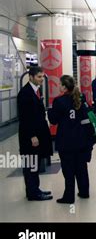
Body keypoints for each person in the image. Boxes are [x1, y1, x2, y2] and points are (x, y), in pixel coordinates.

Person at [48, 75, 94, 204]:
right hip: (81, 140)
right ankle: (84, 192)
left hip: (66, 141)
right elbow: (86, 117)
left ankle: (69, 196)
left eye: (60, 84)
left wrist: (50, 111)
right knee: (81, 167)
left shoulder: (59, 101)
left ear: (64, 87)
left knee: (68, 170)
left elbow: (53, 120)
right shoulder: (80, 98)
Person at [17, 66, 53, 201]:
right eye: (39, 77)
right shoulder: (25, 94)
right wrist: (32, 135)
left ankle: (35, 189)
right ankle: (32, 193)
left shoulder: (35, 91)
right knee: (31, 164)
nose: (41, 79)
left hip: (38, 134)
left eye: (42, 77)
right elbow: (25, 117)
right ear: (31, 77)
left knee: (35, 163)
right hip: (30, 137)